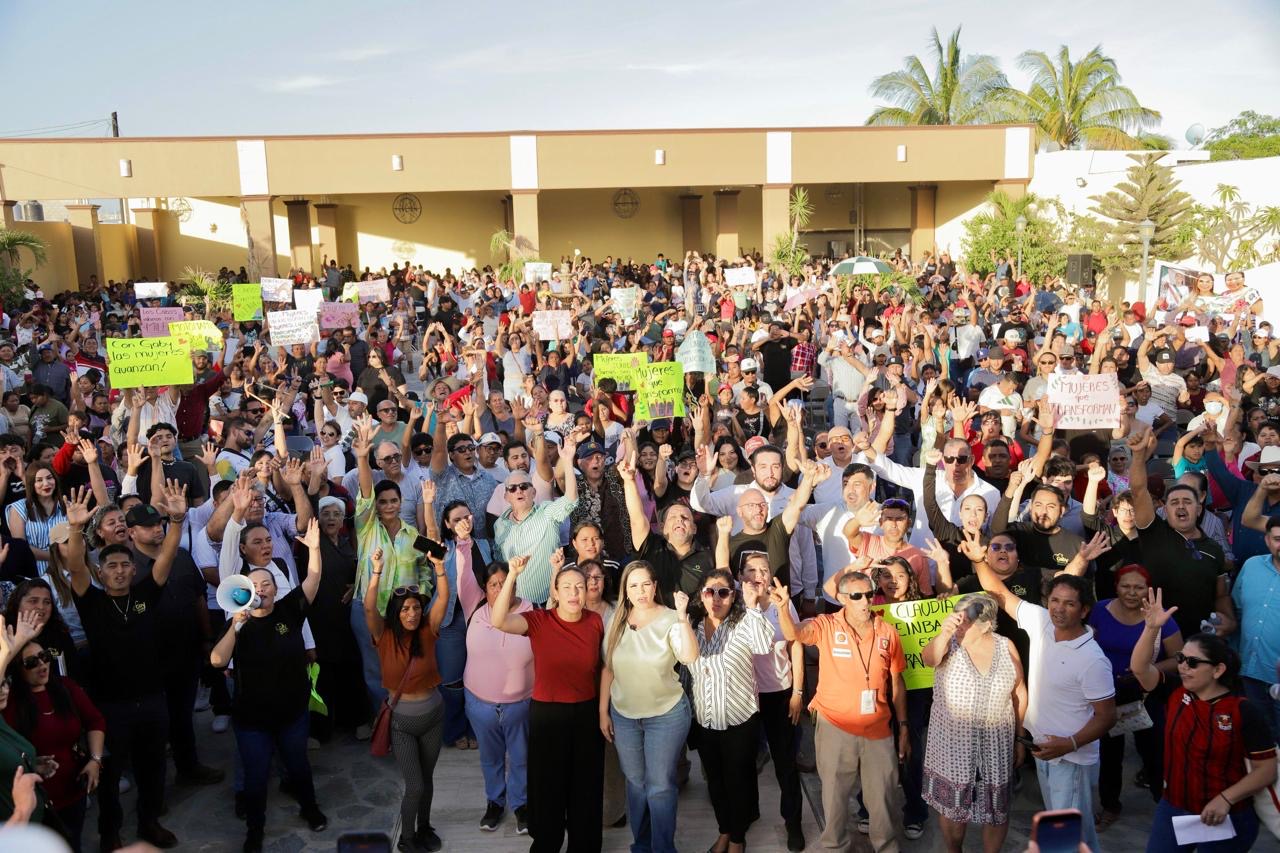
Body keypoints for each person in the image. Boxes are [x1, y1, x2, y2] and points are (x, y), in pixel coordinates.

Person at [971, 535, 1116, 853]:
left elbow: (1107, 716)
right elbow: (998, 592)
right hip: (1044, 750)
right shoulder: (1040, 623)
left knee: (1064, 836)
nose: (1059, 609)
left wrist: (1070, 743)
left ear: (1084, 610)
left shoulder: (1093, 660)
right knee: (1075, 832)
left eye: (1069, 603)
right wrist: (979, 559)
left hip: (1071, 758)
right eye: (1055, 601)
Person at [64, 482, 188, 851]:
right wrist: (74, 530)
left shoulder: (146, 594)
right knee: (110, 771)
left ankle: (150, 821)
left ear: (134, 570)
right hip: (110, 705)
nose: (118, 571)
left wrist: (177, 519)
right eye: (111, 566)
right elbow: (74, 567)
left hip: (151, 698)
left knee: (154, 768)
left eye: (124, 565)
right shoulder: (92, 602)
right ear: (101, 573)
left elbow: (165, 559)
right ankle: (110, 832)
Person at [209, 518, 328, 853]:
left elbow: (314, 578)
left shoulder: (289, 612)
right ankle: (255, 829)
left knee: (299, 766)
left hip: (292, 713)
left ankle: (310, 807)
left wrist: (315, 549)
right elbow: (218, 661)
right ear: (245, 591)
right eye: (254, 585)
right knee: (257, 778)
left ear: (276, 589)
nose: (261, 589)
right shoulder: (238, 622)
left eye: (267, 584)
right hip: (252, 721)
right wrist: (236, 626)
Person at [1131, 589, 1278, 852]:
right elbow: (1140, 669)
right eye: (1181, 659)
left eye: (1193, 662)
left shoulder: (1243, 711)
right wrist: (1151, 628)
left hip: (1225, 814)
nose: (1183, 666)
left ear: (1218, 669)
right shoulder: (1176, 692)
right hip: (1175, 806)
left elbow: (1266, 770)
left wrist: (1225, 799)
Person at [775, 568, 908, 852]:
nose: (865, 601)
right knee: (834, 799)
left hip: (878, 730)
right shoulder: (826, 625)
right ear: (843, 598)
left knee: (883, 800)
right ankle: (835, 847)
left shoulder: (888, 632)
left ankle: (885, 847)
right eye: (857, 596)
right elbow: (794, 633)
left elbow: (897, 681)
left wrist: (904, 726)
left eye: (869, 594)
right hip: (835, 726)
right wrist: (784, 608)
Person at [490, 555, 604, 853]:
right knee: (548, 786)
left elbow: (605, 669)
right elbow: (498, 620)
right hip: (548, 714)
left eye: (580, 586)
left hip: (585, 714)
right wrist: (513, 575)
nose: (574, 593)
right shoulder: (539, 621)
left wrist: (604, 712)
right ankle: (547, 843)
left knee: (585, 788)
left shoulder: (595, 622)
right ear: (554, 592)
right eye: (566, 587)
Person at [598, 561, 697, 853]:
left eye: (645, 584)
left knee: (660, 785)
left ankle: (663, 848)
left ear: (655, 586)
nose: (640, 591)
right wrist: (603, 711)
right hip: (624, 715)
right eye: (633, 585)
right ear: (625, 590)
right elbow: (608, 669)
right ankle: (641, 844)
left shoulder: (670, 618)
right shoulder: (615, 618)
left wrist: (682, 617)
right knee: (636, 783)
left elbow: (690, 656)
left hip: (665, 715)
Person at [920, 593, 1025, 853]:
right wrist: (943, 634)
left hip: (997, 745)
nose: (959, 626)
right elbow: (928, 659)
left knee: (996, 808)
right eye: (957, 619)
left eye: (966, 622)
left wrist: (1020, 738)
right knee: (954, 811)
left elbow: (1019, 692)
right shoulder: (948, 645)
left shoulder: (1006, 645)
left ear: (987, 624)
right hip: (953, 747)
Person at [364, 543, 450, 853]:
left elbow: (444, 598)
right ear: (396, 613)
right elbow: (370, 608)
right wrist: (376, 572)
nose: (412, 614)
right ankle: (406, 839)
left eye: (415, 607)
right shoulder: (383, 636)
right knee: (414, 785)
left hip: (433, 715)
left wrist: (439, 567)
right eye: (405, 609)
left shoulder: (428, 629)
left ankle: (424, 827)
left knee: (426, 780)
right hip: (402, 721)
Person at [1087, 564, 1182, 828]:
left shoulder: (1160, 617)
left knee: (1154, 751)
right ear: (1116, 586)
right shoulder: (1099, 610)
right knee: (1109, 754)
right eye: (1125, 586)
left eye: (1138, 587)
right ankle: (1110, 806)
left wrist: (1146, 671)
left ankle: (1164, 804)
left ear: (1148, 590)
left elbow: (1179, 658)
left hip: (1146, 695)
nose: (1131, 592)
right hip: (1107, 695)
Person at [689, 569, 775, 853]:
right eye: (709, 592)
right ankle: (724, 830)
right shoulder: (692, 628)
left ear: (732, 596)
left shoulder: (743, 623)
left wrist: (753, 606)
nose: (716, 599)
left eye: (723, 592)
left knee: (737, 781)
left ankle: (738, 838)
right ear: (701, 595)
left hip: (740, 720)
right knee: (715, 782)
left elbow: (764, 644)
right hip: (706, 720)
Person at [3, 635, 105, 853]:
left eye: (45, 656)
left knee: (72, 845)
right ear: (16, 670)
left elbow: (95, 720)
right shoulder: (9, 703)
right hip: (33, 802)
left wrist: (95, 760)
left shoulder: (65, 687)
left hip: (73, 790)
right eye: (31, 662)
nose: (42, 664)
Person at [736, 550, 807, 852]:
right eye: (751, 570)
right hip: (745, 696)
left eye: (763, 570)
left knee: (785, 764)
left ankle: (793, 822)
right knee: (744, 762)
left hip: (780, 693)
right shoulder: (735, 604)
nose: (758, 576)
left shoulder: (783, 603)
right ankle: (747, 813)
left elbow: (797, 647)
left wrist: (798, 693)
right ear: (741, 577)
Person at [464, 561, 533, 835]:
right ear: (485, 589)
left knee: (521, 757)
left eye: (505, 582)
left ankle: (521, 804)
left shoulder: (532, 612)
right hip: (480, 705)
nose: (499, 588)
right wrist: (464, 543)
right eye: (493, 585)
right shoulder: (475, 610)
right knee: (490, 757)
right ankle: (495, 802)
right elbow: (462, 574)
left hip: (521, 705)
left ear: (515, 583)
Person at [1236, 486, 1280, 743]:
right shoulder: (1252, 566)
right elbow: (1237, 609)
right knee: (1255, 741)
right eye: (1276, 538)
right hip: (1249, 674)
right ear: (1267, 540)